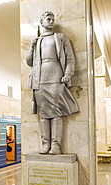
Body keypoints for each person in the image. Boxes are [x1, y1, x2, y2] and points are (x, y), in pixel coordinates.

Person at [26, 11, 79, 155]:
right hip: (39, 79)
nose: (51, 22)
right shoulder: (38, 41)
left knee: (56, 112)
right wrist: (32, 46)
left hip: (56, 76)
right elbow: (29, 62)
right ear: (42, 22)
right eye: (48, 19)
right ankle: (45, 144)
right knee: (43, 113)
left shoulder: (60, 38)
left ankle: (56, 145)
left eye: (52, 19)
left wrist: (68, 74)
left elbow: (70, 59)